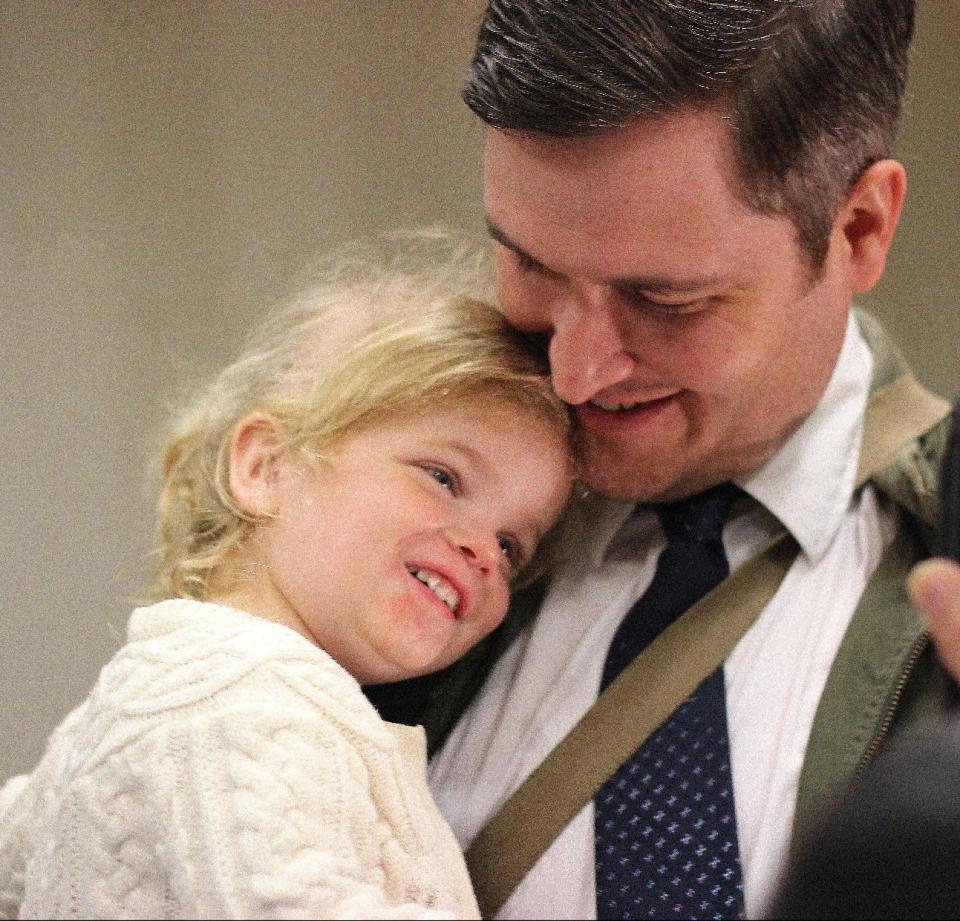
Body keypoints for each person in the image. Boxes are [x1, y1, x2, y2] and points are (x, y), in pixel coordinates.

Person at [367, 2, 957, 919]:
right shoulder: (373, 479)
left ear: (859, 229)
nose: (575, 369)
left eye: (666, 299)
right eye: (528, 266)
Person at [0, 252, 574, 919]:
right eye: (443, 477)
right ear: (267, 465)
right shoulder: (228, 702)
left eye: (512, 545)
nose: (482, 549)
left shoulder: (191, 694)